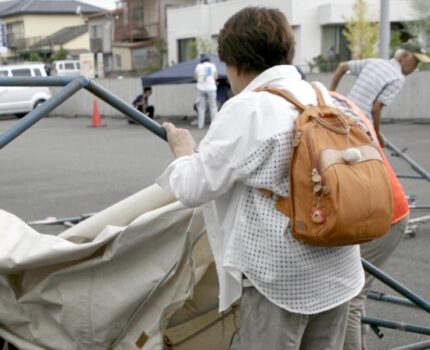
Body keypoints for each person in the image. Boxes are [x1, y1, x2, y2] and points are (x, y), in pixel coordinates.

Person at [157, 7, 364, 349]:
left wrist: (183, 152)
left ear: (235, 64)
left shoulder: (248, 108)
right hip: (338, 265)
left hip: (281, 277)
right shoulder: (320, 95)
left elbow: (194, 186)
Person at [330, 40, 430, 146]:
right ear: (404, 56)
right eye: (416, 62)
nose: (415, 67)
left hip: (342, 113)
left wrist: (330, 93)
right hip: (360, 123)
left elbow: (342, 67)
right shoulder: (397, 78)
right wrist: (377, 134)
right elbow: (376, 108)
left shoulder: (374, 62)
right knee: (374, 158)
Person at [193, 53, 218, 129]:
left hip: (201, 88)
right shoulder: (212, 66)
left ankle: (200, 125)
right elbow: (216, 76)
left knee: (201, 107)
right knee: (213, 107)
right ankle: (214, 126)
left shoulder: (198, 66)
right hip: (211, 88)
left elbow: (195, 77)